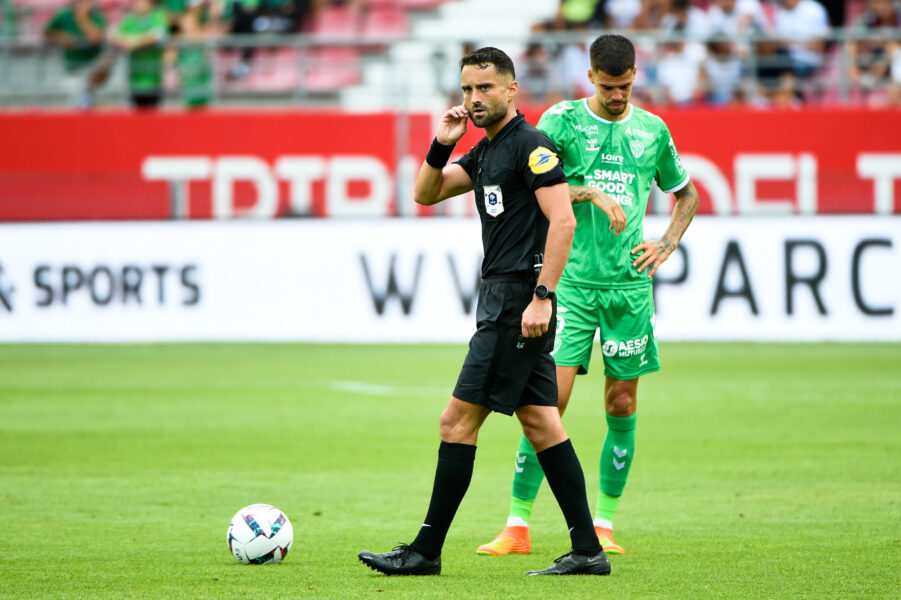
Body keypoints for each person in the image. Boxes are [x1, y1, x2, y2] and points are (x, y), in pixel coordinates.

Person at [357, 46, 610, 577]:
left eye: (485, 88)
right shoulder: (485, 150)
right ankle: (587, 549)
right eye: (468, 89)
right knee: (543, 425)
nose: (474, 99)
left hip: (518, 303)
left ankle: (424, 552)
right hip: (503, 300)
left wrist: (542, 297)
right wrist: (441, 144)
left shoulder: (531, 146)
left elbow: (561, 222)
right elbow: (426, 193)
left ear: (512, 89)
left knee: (456, 422)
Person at [476, 34, 698, 558]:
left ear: (635, 75)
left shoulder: (652, 130)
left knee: (621, 401)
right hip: (570, 285)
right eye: (606, 86)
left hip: (628, 290)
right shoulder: (561, 122)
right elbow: (531, 187)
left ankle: (603, 526)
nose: (616, 96)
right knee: (548, 402)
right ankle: (518, 525)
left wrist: (665, 244)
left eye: (623, 86)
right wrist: (591, 192)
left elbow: (685, 193)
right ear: (590, 77)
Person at [43, 0, 107, 108]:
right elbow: (48, 31)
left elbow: (95, 37)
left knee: (87, 92)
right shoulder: (64, 16)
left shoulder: (97, 17)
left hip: (92, 64)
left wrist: (82, 17)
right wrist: (62, 36)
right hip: (71, 65)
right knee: (76, 97)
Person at [109, 0, 169, 108]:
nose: (137, 4)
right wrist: (127, 41)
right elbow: (113, 35)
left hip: (153, 79)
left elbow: (159, 35)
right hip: (134, 80)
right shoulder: (131, 19)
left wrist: (134, 41)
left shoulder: (157, 16)